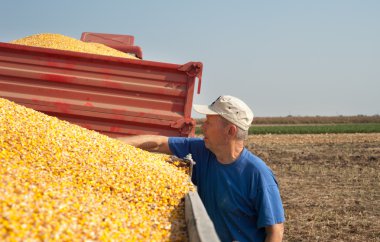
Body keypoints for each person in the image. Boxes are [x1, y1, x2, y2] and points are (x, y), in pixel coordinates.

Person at [117, 95, 285, 242]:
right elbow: (158, 143)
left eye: (208, 123)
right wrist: (103, 144)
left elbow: (276, 232)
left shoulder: (257, 174)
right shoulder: (204, 152)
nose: (202, 127)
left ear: (230, 131)